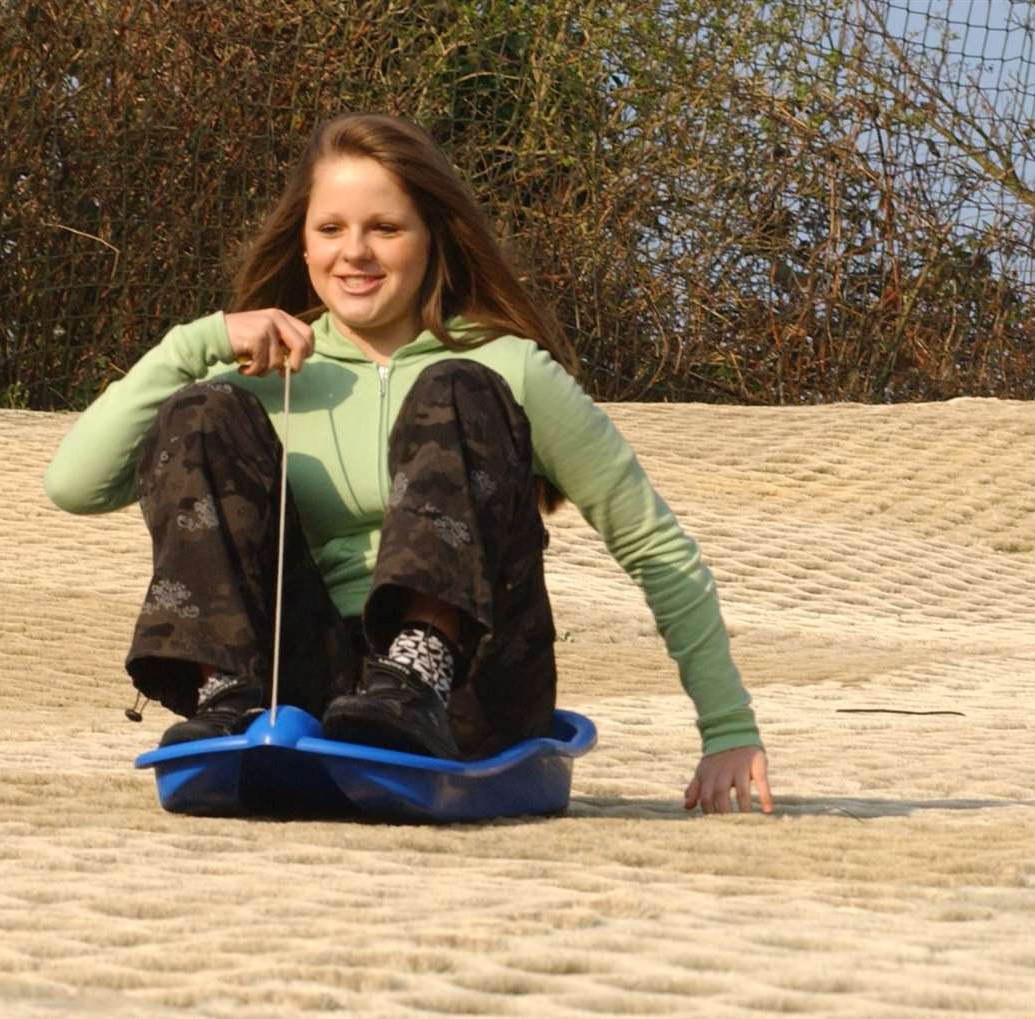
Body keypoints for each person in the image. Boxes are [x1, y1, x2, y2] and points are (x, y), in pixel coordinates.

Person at [44, 113, 772, 813]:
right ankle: (226, 700)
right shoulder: (265, 379)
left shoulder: (506, 368)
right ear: (303, 245)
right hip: (308, 683)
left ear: (431, 240)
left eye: (384, 228)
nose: (353, 252)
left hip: (472, 686)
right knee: (197, 409)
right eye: (330, 229)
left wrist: (729, 732)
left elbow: (653, 543)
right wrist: (196, 343)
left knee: (454, 388)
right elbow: (74, 483)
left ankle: (417, 668)